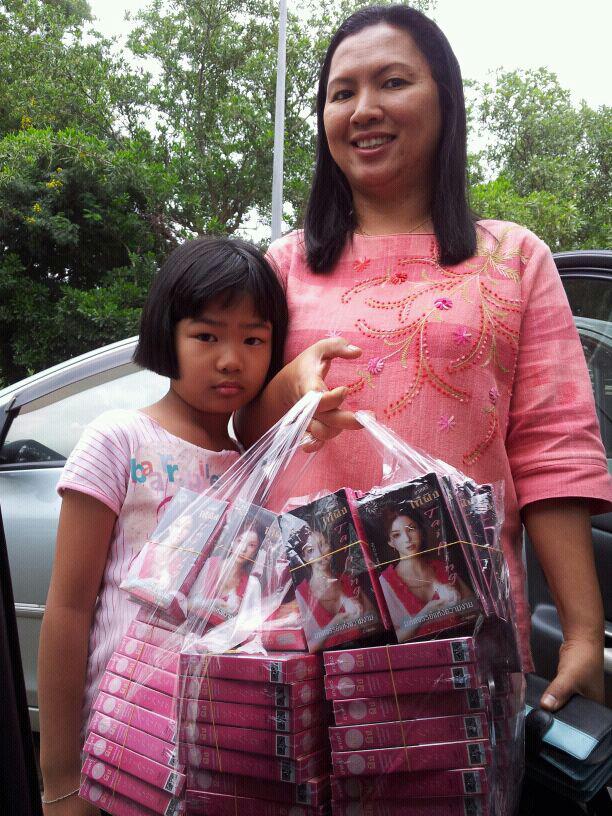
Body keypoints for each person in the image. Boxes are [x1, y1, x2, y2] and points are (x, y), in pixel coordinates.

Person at [237, 4, 612, 712]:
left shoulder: (513, 258)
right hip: (301, 636)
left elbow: (553, 451)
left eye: (392, 82)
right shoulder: (283, 267)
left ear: (445, 101)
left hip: (464, 639)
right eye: (342, 93)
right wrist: (286, 392)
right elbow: (237, 436)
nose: (363, 110)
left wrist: (583, 633)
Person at [37, 236, 289, 815]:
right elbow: (68, 609)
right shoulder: (120, 440)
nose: (231, 359)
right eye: (207, 336)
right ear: (167, 336)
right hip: (112, 753)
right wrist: (61, 780)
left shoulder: (257, 469)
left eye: (253, 339)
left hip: (215, 763)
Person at [378, 509, 475, 641]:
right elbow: (395, 639)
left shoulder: (442, 567)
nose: (407, 539)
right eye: (397, 535)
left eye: (411, 529)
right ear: (390, 542)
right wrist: (427, 611)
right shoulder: (385, 582)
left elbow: (473, 612)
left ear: (421, 531)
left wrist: (458, 603)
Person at [291, 524, 376, 651]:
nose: (319, 554)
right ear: (304, 558)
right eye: (310, 550)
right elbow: (311, 647)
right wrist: (335, 623)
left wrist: (361, 617)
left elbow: (376, 624)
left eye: (323, 545)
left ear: (330, 547)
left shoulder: (348, 579)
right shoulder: (301, 593)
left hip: (363, 650)